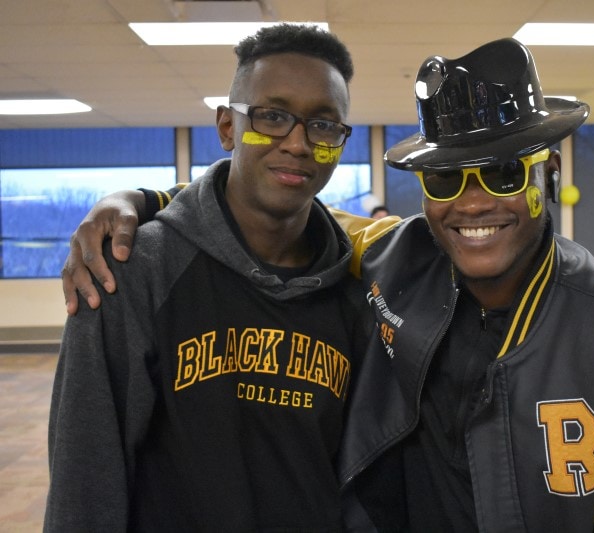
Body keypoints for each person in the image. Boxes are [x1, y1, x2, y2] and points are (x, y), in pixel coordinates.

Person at [62, 38, 594, 531]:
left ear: (546, 173)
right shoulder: (387, 256)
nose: (473, 204)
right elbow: (267, 214)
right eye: (446, 180)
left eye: (504, 173)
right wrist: (140, 201)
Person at [46, 24, 372, 531]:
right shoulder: (132, 269)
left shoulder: (356, 284)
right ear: (227, 127)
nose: (298, 143)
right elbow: (85, 474)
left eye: (324, 125)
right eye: (272, 116)